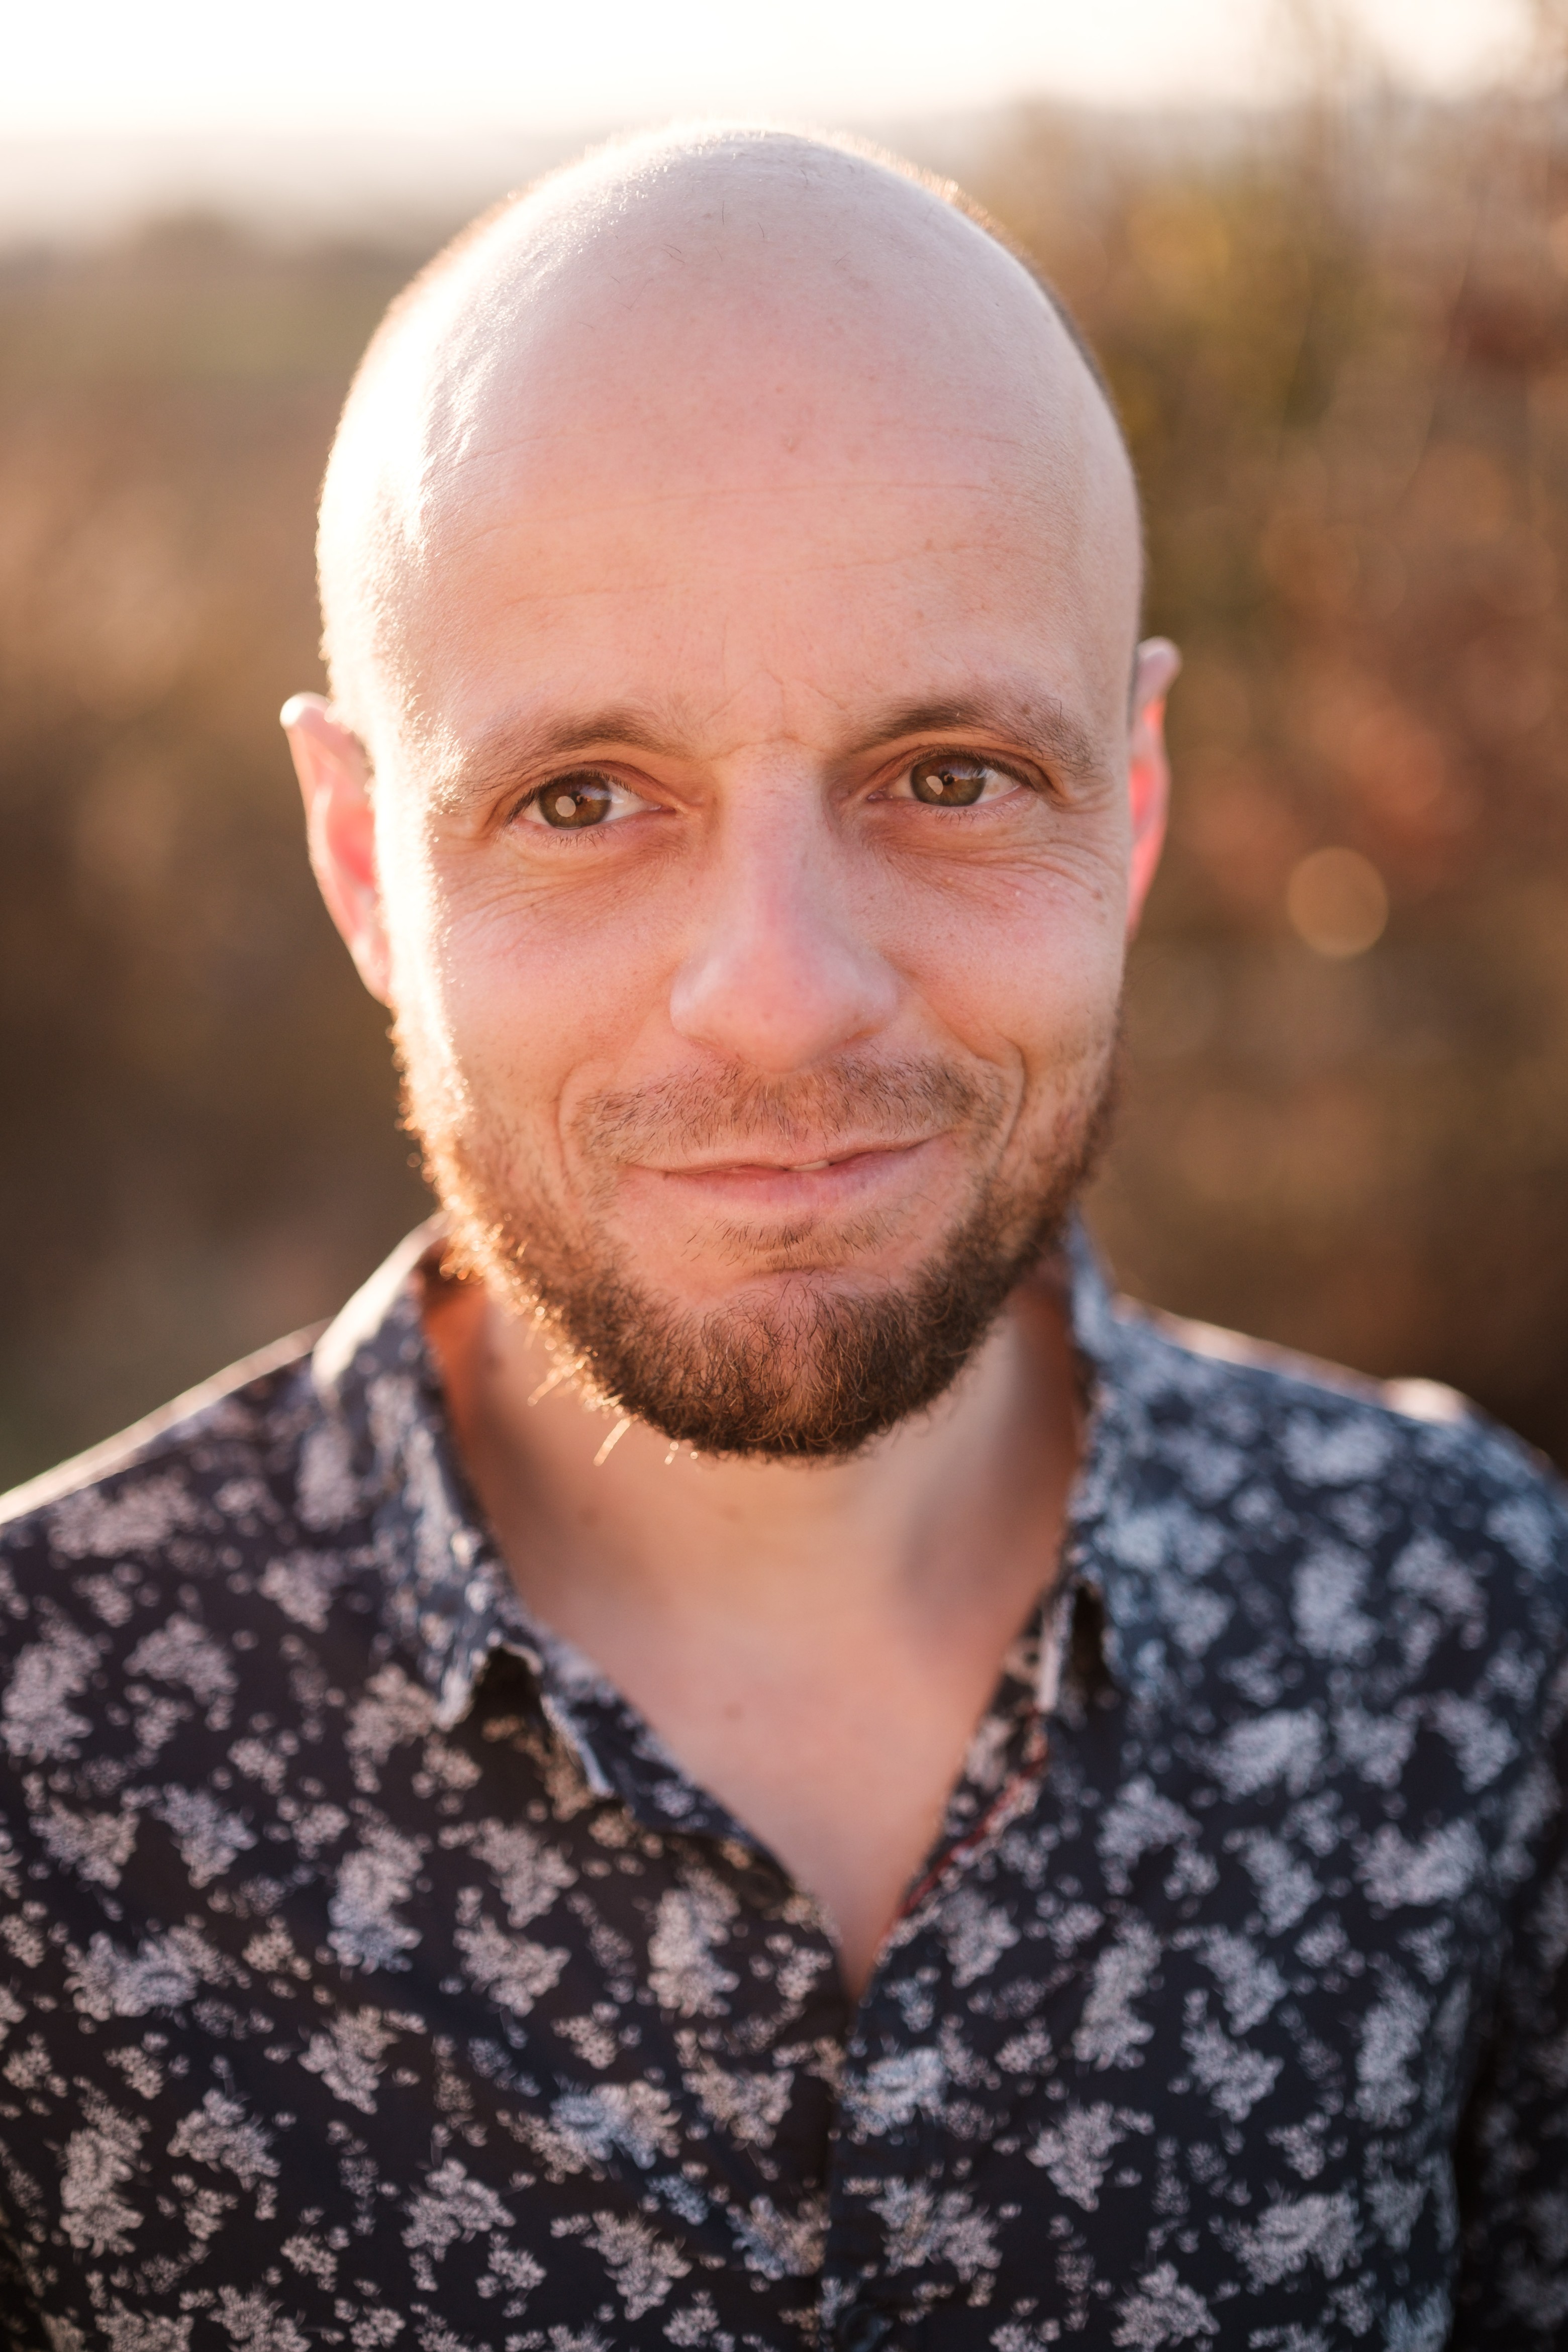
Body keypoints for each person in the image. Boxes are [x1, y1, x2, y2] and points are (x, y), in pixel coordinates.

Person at [0, 123, 1564, 2352]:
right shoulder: (45, 1777)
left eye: (946, 773)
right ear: (364, 865)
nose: (785, 991)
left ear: (1124, 807)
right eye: (581, 798)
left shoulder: (1464, 1645)